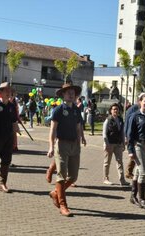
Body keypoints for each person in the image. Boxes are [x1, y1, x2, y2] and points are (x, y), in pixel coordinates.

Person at [47, 82, 86, 217]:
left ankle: (55, 193)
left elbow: (78, 126)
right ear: (63, 95)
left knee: (73, 176)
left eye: (73, 92)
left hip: (75, 145)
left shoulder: (76, 109)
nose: (71, 94)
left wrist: (82, 137)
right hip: (62, 144)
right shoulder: (58, 110)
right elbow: (53, 129)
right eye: (68, 92)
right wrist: (51, 147)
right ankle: (63, 205)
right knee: (61, 175)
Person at [102, 103, 128, 186]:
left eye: (117, 109)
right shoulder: (108, 120)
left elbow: (122, 133)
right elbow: (104, 134)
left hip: (118, 144)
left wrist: (123, 144)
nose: (115, 110)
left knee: (120, 162)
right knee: (107, 162)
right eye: (114, 109)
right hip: (109, 144)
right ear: (111, 111)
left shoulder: (120, 119)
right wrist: (107, 145)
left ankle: (122, 180)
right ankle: (106, 178)